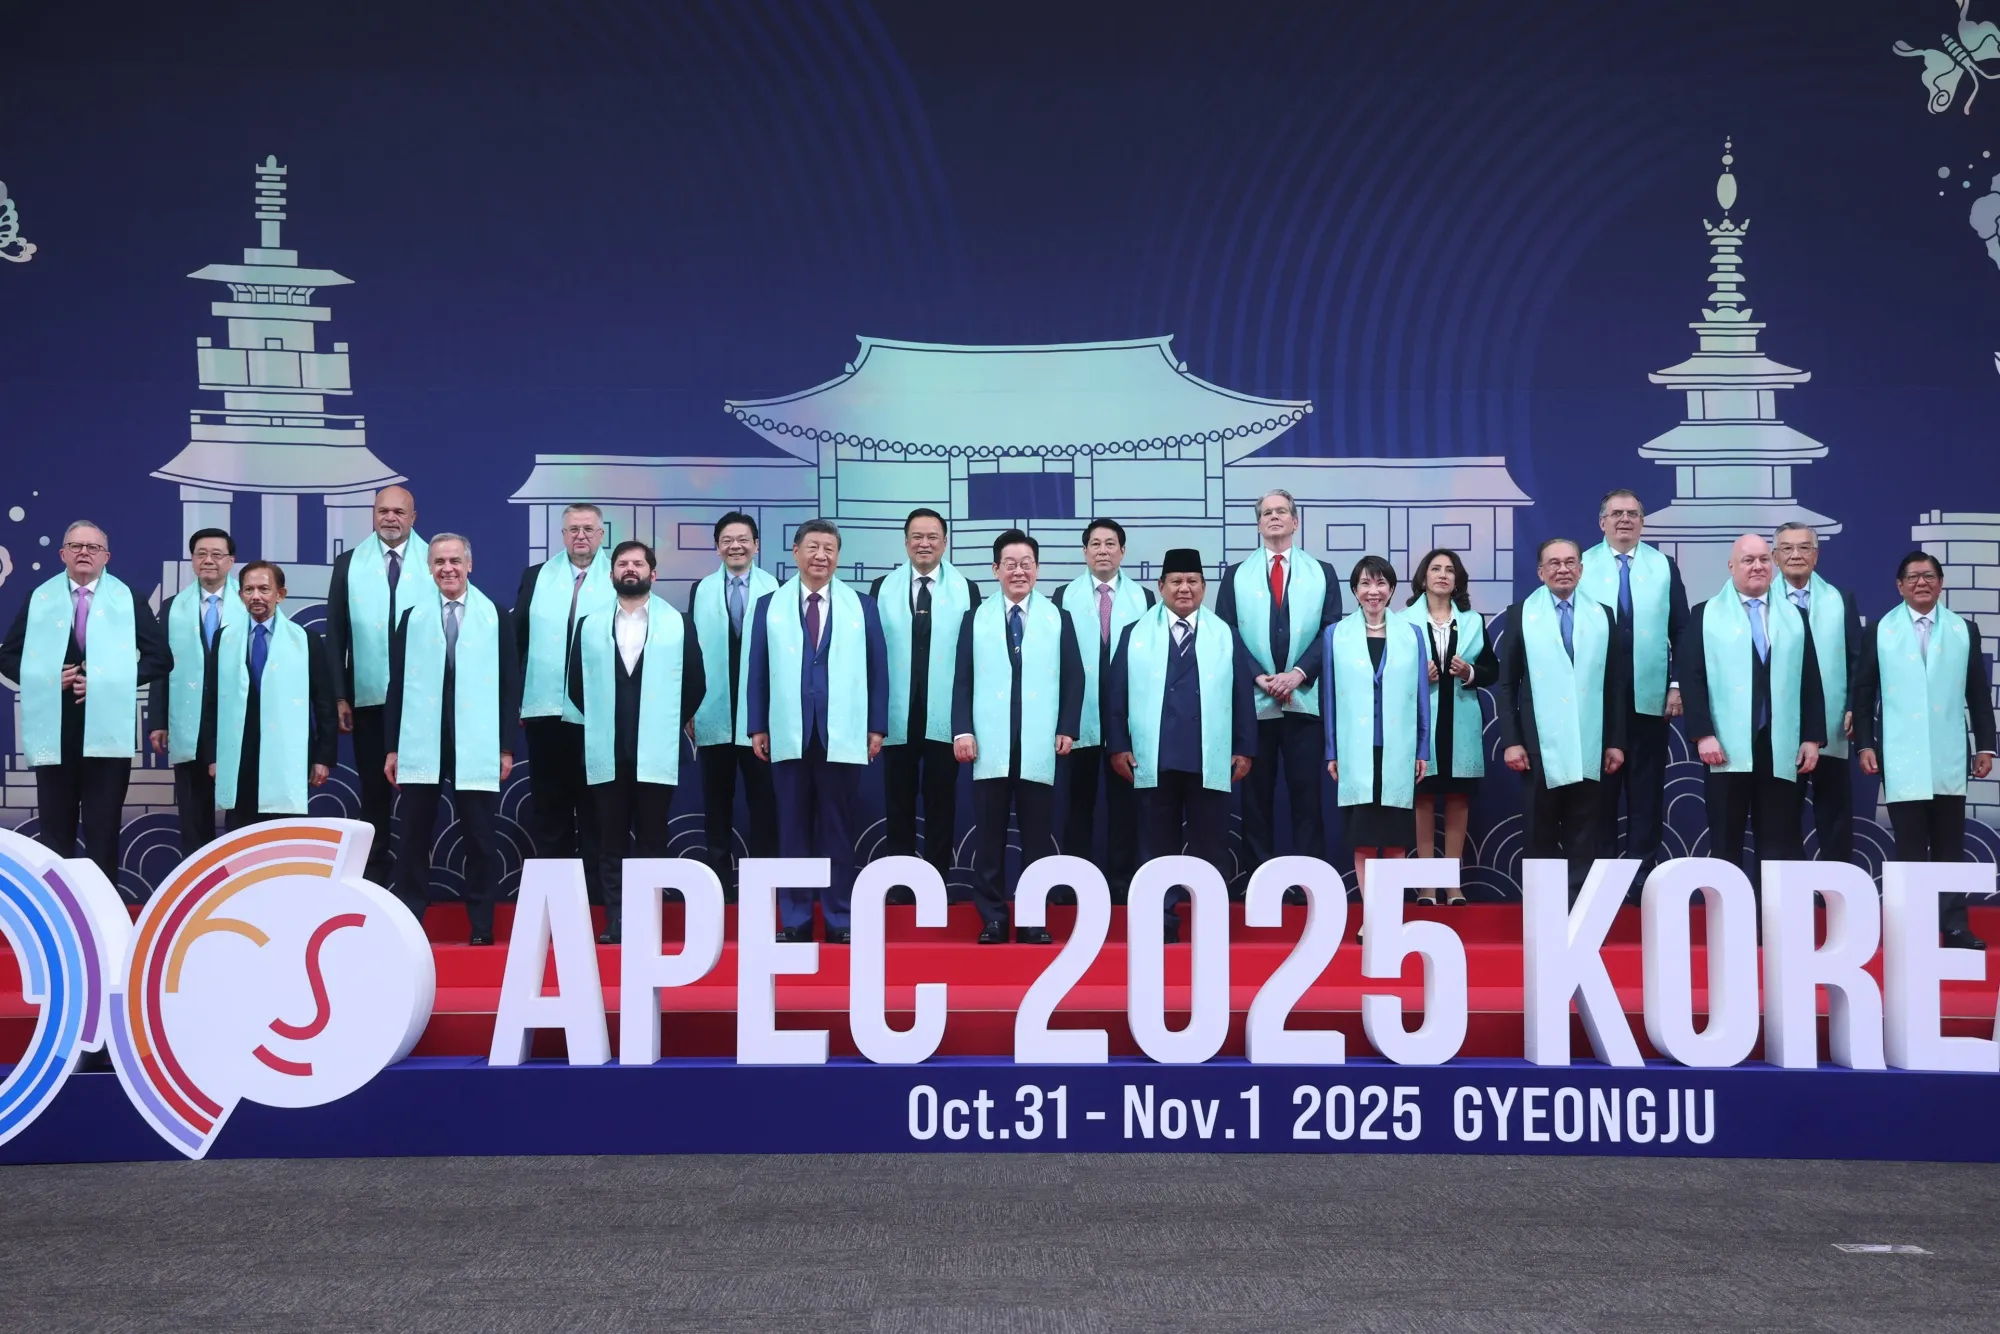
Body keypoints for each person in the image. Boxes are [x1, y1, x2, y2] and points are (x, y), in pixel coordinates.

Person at [0, 520, 168, 886]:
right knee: (55, 834)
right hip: (55, 733)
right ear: (62, 554)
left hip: (107, 739)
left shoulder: (129, 599)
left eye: (92, 548)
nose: (83, 553)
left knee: (103, 830)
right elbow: (7, 657)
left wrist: (107, 682)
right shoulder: (39, 598)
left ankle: (104, 916)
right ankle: (60, 914)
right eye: (76, 546)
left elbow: (160, 659)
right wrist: (45, 679)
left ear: (106, 557)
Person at [1104, 548, 1257, 943]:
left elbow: (1243, 695)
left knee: (1212, 846)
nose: (1184, 588)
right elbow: (1115, 695)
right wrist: (1118, 745)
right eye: (1176, 581)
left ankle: (1210, 923)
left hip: (1210, 756)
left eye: (1192, 581)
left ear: (1204, 588)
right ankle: (1161, 923)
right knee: (1157, 847)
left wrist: (1245, 747)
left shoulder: (1226, 635)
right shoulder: (1134, 634)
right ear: (1161, 587)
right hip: (1153, 756)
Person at [747, 520, 889, 945]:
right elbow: (757, 671)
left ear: (838, 556)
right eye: (812, 547)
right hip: (788, 731)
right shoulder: (768, 606)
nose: (820, 556)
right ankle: (794, 917)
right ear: (795, 552)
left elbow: (879, 670)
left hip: (843, 733)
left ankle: (839, 915)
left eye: (829, 548)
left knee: (837, 828)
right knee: (790, 828)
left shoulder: (861, 606)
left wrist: (876, 726)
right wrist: (757, 725)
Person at [1852, 551, 1998, 950]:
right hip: (1900, 755)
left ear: (1941, 583)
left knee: (1950, 845)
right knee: (1910, 845)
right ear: (1899, 586)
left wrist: (1986, 745)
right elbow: (1863, 693)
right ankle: (1911, 927)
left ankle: (1953, 925)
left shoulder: (1962, 630)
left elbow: (1977, 694)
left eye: (1929, 576)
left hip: (1948, 752)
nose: (1922, 582)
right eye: (1913, 577)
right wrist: (1865, 742)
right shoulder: (1881, 630)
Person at [384, 534, 520, 945]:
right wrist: (393, 746)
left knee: (480, 837)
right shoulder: (413, 616)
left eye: (455, 560)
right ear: (429, 567)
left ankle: (481, 926)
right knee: (413, 837)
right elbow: (397, 686)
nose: (448, 568)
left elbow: (510, 685)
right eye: (440, 561)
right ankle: (411, 925)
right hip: (422, 739)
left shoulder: (494, 615)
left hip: (476, 740)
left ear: (470, 564)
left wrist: (506, 746)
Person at [568, 541, 705, 945]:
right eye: (622, 564)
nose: (631, 569)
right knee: (608, 840)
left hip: (655, 750)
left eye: (638, 563)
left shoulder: (678, 623)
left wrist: (662, 722)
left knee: (651, 839)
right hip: (606, 748)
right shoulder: (590, 624)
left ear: (653, 574)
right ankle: (616, 920)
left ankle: (647, 920)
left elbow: (695, 684)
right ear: (611, 574)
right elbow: (576, 685)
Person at [951, 530, 1084, 944]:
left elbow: (1074, 678)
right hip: (988, 744)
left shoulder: (1056, 616)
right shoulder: (976, 617)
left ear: (1038, 569)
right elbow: (962, 680)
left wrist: (1067, 727)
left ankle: (1032, 919)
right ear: (995, 570)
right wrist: (962, 730)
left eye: (1027, 563)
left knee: (1036, 839)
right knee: (988, 839)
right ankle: (992, 917)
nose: (1019, 571)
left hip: (1039, 744)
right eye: (1010, 563)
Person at [1676, 534, 1824, 898]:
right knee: (1725, 837)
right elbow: (1691, 679)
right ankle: (1729, 922)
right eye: (1747, 560)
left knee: (1779, 837)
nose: (1757, 566)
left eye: (1763, 559)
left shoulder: (1795, 616)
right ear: (1731, 567)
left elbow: (1810, 679)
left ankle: (1771, 922)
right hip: (1725, 746)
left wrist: (1811, 736)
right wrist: (1702, 734)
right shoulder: (1704, 613)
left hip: (1780, 745)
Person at [1216, 489, 1341, 877]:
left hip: (1305, 702)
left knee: (1307, 799)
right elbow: (1227, 633)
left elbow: (1331, 631)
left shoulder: (1322, 571)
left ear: (1295, 521)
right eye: (1267, 512)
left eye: (1282, 511)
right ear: (1258, 523)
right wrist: (1258, 675)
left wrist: (1298, 674)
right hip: (1254, 703)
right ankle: (1258, 882)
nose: (1274, 517)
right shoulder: (1236, 575)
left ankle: (1310, 886)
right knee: (1255, 801)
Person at [1496, 538, 1628, 898]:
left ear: (1582, 570)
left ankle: (1578, 912)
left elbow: (1615, 684)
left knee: (1585, 829)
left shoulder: (1603, 614)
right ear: (1540, 572)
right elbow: (1506, 683)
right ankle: (1542, 911)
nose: (1563, 569)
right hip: (1538, 743)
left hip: (1590, 739)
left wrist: (1615, 741)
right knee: (1539, 829)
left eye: (1570, 562)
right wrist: (1512, 741)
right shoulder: (1521, 613)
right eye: (1553, 563)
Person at [1580, 489, 1688, 886]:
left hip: (1651, 698)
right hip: (1598, 701)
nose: (1625, 520)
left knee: (1645, 791)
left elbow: (1680, 629)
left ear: (1643, 521)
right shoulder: (1582, 564)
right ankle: (1602, 879)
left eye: (1633, 514)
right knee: (1599, 793)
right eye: (1616, 513)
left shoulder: (1663, 566)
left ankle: (1643, 879)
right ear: (1602, 522)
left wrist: (1676, 684)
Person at [326, 485, 429, 885]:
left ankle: (414, 880)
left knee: (420, 793)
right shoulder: (350, 563)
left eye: (399, 512)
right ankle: (374, 878)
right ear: (373, 514)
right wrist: (339, 694)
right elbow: (334, 635)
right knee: (374, 790)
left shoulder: (434, 559)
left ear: (413, 517)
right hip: (367, 698)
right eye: (383, 510)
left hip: (422, 701)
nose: (391, 518)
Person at [511, 502, 613, 901]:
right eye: (573, 529)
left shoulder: (618, 573)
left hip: (598, 715)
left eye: (589, 529)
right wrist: (519, 699)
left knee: (595, 810)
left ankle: (595, 900)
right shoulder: (537, 576)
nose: (581, 536)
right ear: (562, 534)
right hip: (545, 711)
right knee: (550, 810)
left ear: (602, 535)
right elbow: (517, 641)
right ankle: (555, 902)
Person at [871, 508, 978, 888]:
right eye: (917, 536)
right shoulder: (882, 587)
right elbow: (872, 653)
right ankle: (900, 884)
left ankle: (936, 882)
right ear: (905, 542)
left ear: (945, 543)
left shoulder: (967, 589)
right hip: (897, 713)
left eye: (933, 536)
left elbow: (972, 657)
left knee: (941, 802)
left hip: (944, 716)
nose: (924, 543)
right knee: (897, 801)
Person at [1050, 518, 1154, 899]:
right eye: (1095, 544)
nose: (1103, 550)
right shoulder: (1064, 595)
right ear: (1084, 552)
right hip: (1079, 718)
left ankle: (1123, 884)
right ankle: (1072, 885)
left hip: (1129, 720)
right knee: (1077, 804)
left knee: (1125, 807)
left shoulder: (1144, 597)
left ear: (1123, 552)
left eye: (1111, 544)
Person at [1322, 557, 1431, 898]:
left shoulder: (1411, 635)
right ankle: (1371, 914)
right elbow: (1329, 697)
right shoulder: (1336, 635)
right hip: (1356, 752)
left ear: (1392, 590)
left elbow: (1421, 697)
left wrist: (1422, 749)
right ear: (1354, 591)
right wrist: (1332, 750)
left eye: (1381, 584)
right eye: (1366, 584)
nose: (1374, 591)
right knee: (1364, 839)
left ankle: (1389, 913)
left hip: (1397, 751)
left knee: (1397, 839)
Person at [687, 512, 780, 898]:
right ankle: (718, 888)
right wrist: (691, 707)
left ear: (756, 545)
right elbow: (692, 654)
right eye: (727, 539)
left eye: (743, 539)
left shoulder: (775, 589)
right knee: (716, 805)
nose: (736, 546)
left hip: (760, 718)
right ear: (717, 546)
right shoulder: (702, 589)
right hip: (713, 714)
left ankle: (763, 887)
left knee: (764, 805)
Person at [211, 562, 337, 827]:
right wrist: (212, 757)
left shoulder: (306, 640)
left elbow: (324, 704)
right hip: (239, 755)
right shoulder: (224, 639)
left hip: (288, 756)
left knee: (283, 837)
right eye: (249, 589)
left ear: (281, 594)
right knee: (240, 836)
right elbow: (210, 703)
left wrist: (323, 758)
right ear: (240, 595)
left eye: (264, 589)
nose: (256, 596)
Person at [1404, 548, 1497, 901]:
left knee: (1459, 798)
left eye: (1449, 569)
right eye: (1435, 568)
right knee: (1423, 800)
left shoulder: (1473, 621)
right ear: (1423, 578)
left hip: (1462, 722)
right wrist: (1416, 676)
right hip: (1420, 724)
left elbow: (1492, 669)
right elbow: (1388, 672)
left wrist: (1470, 672)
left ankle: (1452, 884)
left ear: (1457, 580)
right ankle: (1427, 885)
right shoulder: (1402, 620)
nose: (1442, 574)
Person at [1774, 521, 1864, 866]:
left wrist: (1855, 706)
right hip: (1780, 725)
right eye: (1787, 548)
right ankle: (1793, 891)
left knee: (1834, 812)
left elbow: (1856, 659)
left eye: (1804, 547)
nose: (1796, 555)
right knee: (1783, 815)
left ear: (1817, 554)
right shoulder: (1761, 601)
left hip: (1831, 724)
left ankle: (1835, 890)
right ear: (1775, 556)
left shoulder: (1839, 600)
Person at [147, 528, 240, 857]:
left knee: (240, 810)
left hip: (236, 721)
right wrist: (157, 720)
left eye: (217, 554)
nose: (209, 560)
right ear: (192, 561)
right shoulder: (173, 607)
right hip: (190, 721)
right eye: (201, 554)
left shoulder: (250, 601)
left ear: (231, 561)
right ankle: (198, 887)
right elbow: (160, 666)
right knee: (193, 811)